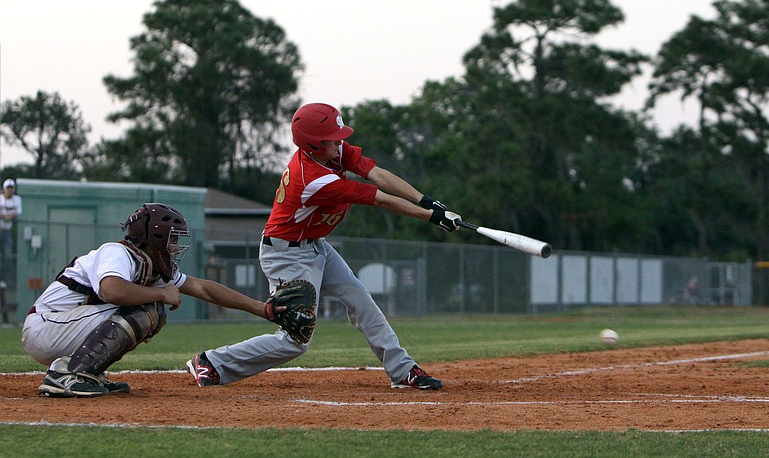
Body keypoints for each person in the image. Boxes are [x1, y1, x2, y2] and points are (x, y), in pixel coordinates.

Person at [187, 103, 461, 390]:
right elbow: (380, 198)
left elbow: (376, 173)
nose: (339, 140)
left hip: (315, 245)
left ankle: (403, 370)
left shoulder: (333, 152)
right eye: (332, 137)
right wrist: (432, 218)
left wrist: (425, 201)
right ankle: (212, 362)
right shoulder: (314, 180)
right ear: (314, 145)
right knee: (296, 340)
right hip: (285, 255)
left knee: (361, 300)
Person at [22, 203, 277, 398]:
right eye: (173, 239)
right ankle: (67, 374)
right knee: (147, 309)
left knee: (152, 311)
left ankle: (87, 371)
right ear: (156, 238)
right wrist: (160, 293)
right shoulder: (117, 252)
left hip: (64, 326)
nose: (175, 247)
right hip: (46, 326)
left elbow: (203, 288)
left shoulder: (148, 265)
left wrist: (262, 309)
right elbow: (112, 290)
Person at [0, 179, 22, 286]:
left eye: (11, 188)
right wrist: (6, 216)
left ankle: (3, 280)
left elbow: (17, 214)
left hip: (7, 231)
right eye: (7, 188)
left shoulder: (17, 199)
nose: (9, 191)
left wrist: (5, 215)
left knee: (8, 256)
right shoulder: (0, 199)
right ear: (4, 189)